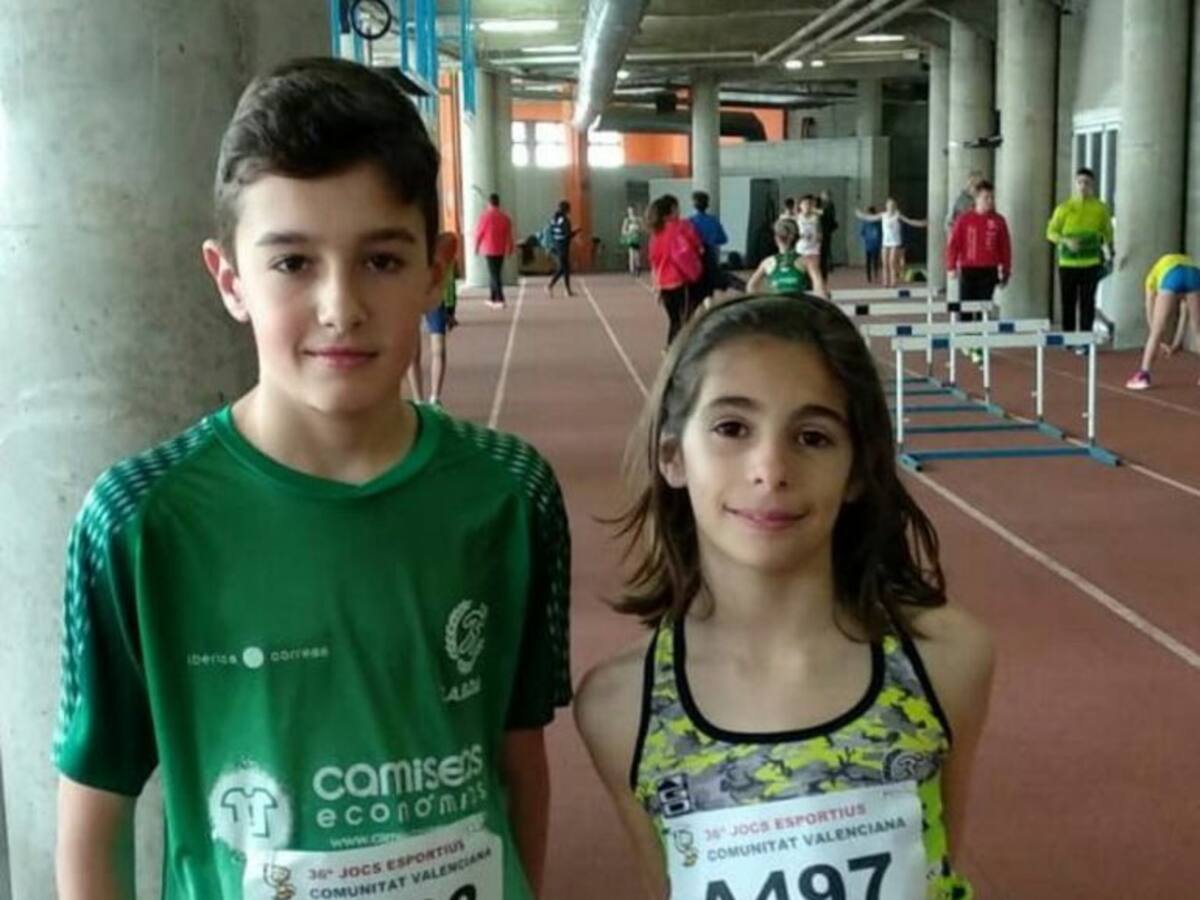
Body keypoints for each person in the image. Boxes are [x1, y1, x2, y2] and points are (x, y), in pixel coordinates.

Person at [53, 58, 571, 900]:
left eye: (382, 260)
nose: (341, 307)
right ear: (230, 280)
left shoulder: (511, 493)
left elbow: (520, 762)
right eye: (293, 263)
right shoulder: (137, 520)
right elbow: (94, 812)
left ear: (437, 269)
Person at [575, 293, 994, 900]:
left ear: (857, 471)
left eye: (813, 437)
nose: (770, 469)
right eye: (731, 429)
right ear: (672, 455)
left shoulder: (947, 660)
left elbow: (941, 863)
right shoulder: (621, 707)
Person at [1046, 167, 1114, 352]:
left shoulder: (1100, 208)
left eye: (1087, 183)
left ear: (1092, 186)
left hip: (1090, 263)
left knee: (1087, 302)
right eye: (1080, 182)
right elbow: (1051, 232)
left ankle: (1085, 340)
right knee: (1068, 302)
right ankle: (1068, 339)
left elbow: (1108, 233)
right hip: (1067, 264)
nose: (1083, 186)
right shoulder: (1064, 208)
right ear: (1075, 184)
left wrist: (1107, 251)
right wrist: (1065, 241)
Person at [946, 180, 1012, 365]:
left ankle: (980, 345)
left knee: (984, 308)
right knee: (966, 307)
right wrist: (951, 267)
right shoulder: (964, 219)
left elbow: (1005, 248)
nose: (989, 201)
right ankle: (967, 341)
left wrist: (1006, 271)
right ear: (976, 199)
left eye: (991, 197)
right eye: (985, 197)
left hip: (989, 271)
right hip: (968, 269)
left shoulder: (998, 221)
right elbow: (953, 245)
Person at [1124, 253, 1200, 390]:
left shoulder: (1150, 279)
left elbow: (1149, 308)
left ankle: (1144, 376)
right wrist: (1176, 343)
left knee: (1157, 329)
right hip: (1194, 273)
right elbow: (1184, 315)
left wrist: (1157, 339)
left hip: (1172, 274)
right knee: (1198, 330)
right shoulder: (1174, 268)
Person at [647, 194, 704, 346]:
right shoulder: (679, 228)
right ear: (672, 210)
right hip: (678, 281)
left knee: (674, 320)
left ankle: (670, 348)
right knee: (684, 320)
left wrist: (656, 286)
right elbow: (691, 249)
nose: (680, 211)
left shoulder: (655, 234)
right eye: (677, 208)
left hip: (663, 283)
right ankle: (677, 350)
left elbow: (653, 262)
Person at [407, 264, 457, 405]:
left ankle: (435, 397)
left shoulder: (441, 256)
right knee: (412, 353)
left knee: (439, 349)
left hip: (435, 302)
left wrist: (451, 309)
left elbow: (449, 277)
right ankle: (418, 400)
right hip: (411, 302)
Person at [857, 198, 927, 288]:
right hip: (886, 242)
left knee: (891, 262)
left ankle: (893, 281)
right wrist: (860, 215)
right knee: (885, 263)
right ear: (886, 207)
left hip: (895, 242)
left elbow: (909, 221)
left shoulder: (897, 215)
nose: (891, 207)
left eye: (892, 205)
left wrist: (921, 223)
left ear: (895, 206)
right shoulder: (883, 215)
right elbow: (871, 218)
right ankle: (886, 282)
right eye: (889, 205)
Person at [745, 217, 811, 296]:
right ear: (797, 238)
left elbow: (750, 287)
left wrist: (764, 300)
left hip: (776, 302)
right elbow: (820, 292)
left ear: (776, 239)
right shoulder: (807, 261)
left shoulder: (767, 262)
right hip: (798, 302)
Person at [689, 191, 730, 306]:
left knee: (696, 290)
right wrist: (712, 240)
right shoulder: (713, 220)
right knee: (708, 290)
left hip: (695, 259)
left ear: (694, 205)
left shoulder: (690, 222)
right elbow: (723, 239)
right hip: (711, 257)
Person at [474, 192, 514, 309]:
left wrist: (476, 247)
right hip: (500, 249)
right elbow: (509, 235)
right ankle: (492, 297)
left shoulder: (485, 217)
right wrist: (510, 248)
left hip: (489, 249)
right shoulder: (505, 218)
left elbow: (479, 234)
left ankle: (500, 298)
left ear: (489, 203)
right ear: (498, 203)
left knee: (494, 274)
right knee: (495, 273)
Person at [794, 194, 828, 297]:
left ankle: (819, 294)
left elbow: (820, 232)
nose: (807, 206)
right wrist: (800, 235)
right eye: (805, 204)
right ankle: (799, 293)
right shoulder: (797, 218)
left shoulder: (816, 218)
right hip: (800, 249)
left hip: (813, 249)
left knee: (815, 273)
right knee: (800, 272)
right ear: (800, 206)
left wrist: (818, 237)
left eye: (809, 204)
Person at [546, 199, 580, 297]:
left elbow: (551, 231)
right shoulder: (565, 220)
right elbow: (567, 234)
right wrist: (577, 231)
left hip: (556, 244)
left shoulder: (554, 219)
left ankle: (567, 290)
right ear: (566, 209)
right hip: (563, 246)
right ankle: (550, 285)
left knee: (566, 268)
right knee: (562, 268)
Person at [818, 188, 839, 282]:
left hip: (826, 230)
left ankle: (828, 266)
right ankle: (828, 266)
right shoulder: (823, 204)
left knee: (826, 249)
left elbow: (826, 214)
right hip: (825, 230)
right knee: (826, 249)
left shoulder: (829, 205)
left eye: (825, 195)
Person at [859, 204, 883, 284]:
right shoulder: (866, 222)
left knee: (874, 261)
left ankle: (875, 275)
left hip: (875, 244)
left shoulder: (877, 222)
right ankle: (869, 276)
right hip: (869, 244)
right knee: (869, 261)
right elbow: (862, 233)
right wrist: (865, 239)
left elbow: (881, 232)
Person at [621, 205, 646, 277]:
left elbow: (643, 229)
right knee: (631, 254)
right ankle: (632, 270)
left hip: (637, 238)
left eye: (632, 210)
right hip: (630, 238)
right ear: (628, 211)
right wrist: (629, 232)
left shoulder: (638, 219)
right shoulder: (626, 220)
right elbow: (623, 231)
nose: (631, 212)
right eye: (629, 210)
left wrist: (638, 230)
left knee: (637, 255)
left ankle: (638, 266)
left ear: (634, 210)